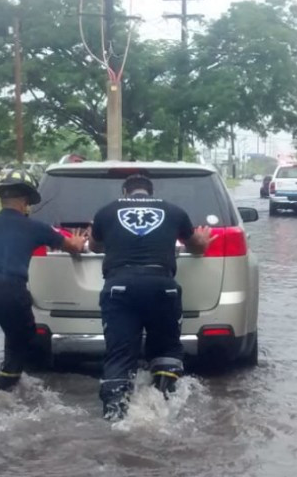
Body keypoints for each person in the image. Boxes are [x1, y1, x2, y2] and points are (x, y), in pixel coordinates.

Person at [88, 174, 212, 422]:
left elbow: (94, 246)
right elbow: (196, 245)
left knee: (119, 355)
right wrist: (204, 239)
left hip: (119, 289)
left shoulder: (106, 211)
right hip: (162, 287)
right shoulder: (174, 210)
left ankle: (115, 418)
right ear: (150, 192)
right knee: (167, 349)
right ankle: (164, 411)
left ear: (126, 192)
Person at [0, 169, 87, 412]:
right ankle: (6, 391)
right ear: (24, 201)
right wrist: (80, 240)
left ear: (2, 198)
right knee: (21, 341)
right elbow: (73, 246)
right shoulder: (35, 228)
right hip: (11, 293)